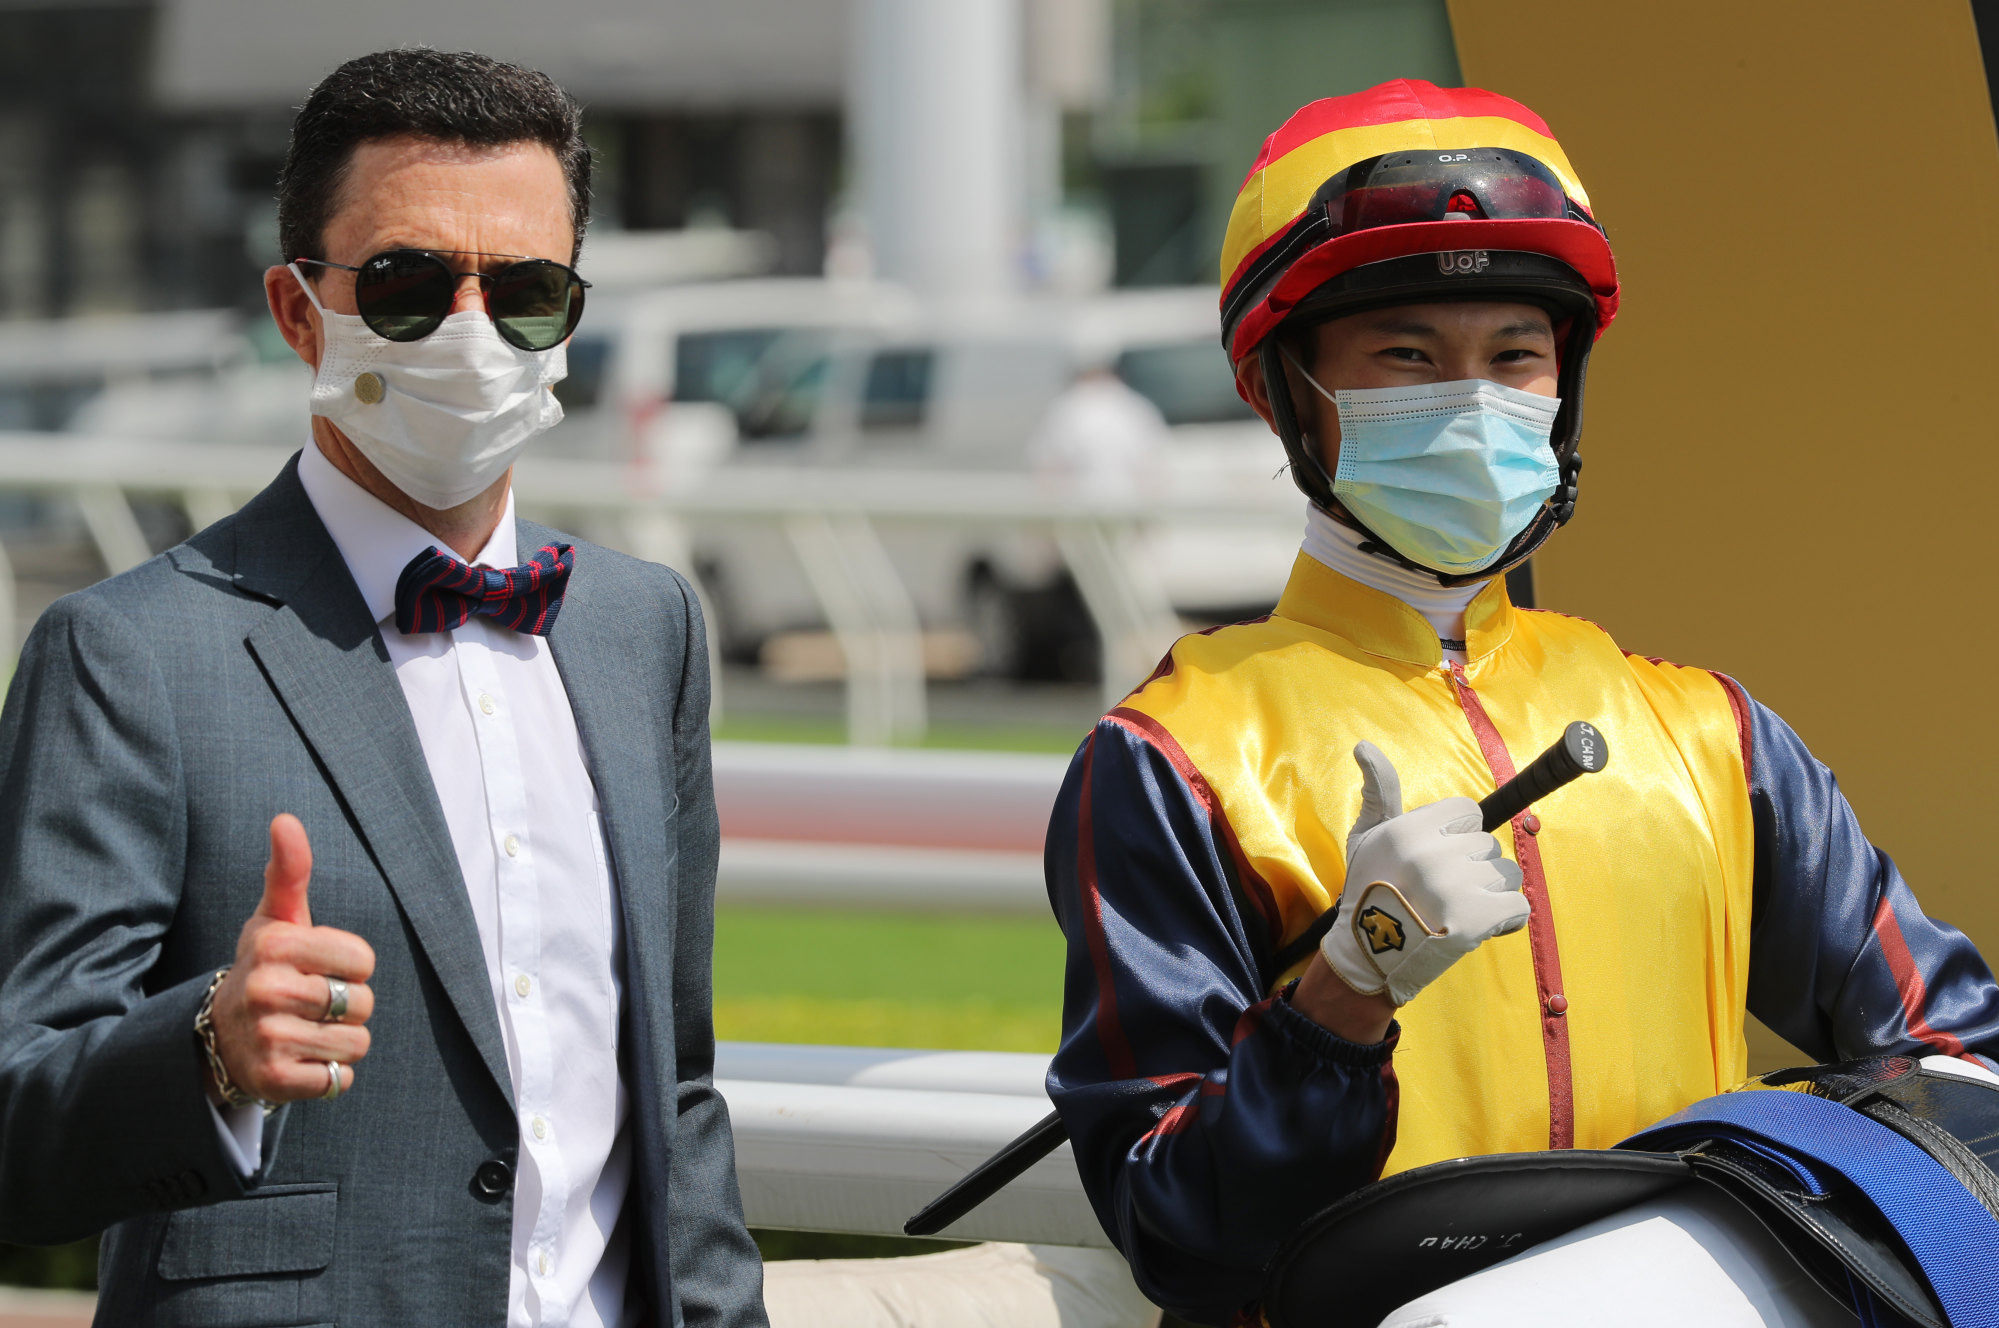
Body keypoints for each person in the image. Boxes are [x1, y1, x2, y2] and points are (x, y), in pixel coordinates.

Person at [1043, 78, 1999, 1324]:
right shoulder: (1170, 756)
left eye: (1513, 354)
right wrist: (1345, 990)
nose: (1473, 397)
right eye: (1406, 355)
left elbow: (1955, 1053)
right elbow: (1172, 1225)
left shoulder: (1710, 732)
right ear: (1281, 389)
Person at [0, 49, 766, 1327]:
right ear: (299, 312)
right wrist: (211, 1050)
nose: (472, 330)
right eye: (410, 283)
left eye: (525, 290)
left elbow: (673, 1087)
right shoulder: (129, 652)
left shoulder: (645, 630)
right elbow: (16, 1114)